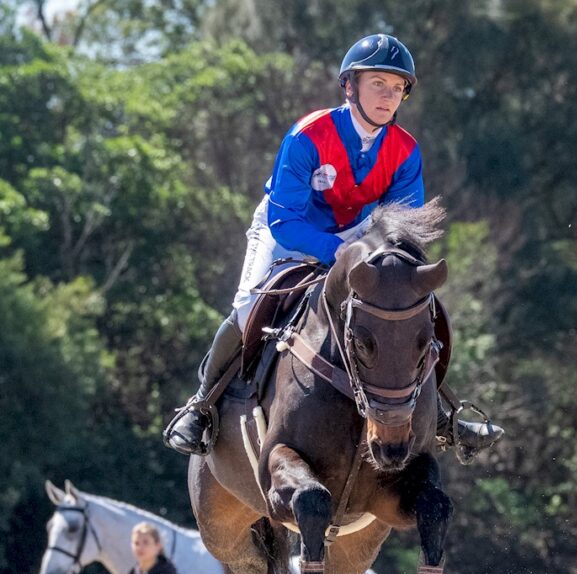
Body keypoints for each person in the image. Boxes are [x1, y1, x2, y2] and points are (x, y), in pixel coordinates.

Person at [164, 32, 501, 459]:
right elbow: (285, 220)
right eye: (378, 83)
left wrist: (390, 269)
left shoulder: (405, 150)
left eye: (397, 88)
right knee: (248, 305)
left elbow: (404, 229)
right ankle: (201, 406)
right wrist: (335, 256)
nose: (388, 96)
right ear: (349, 86)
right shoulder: (310, 134)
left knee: (413, 312)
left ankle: (440, 416)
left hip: (361, 239)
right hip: (288, 231)